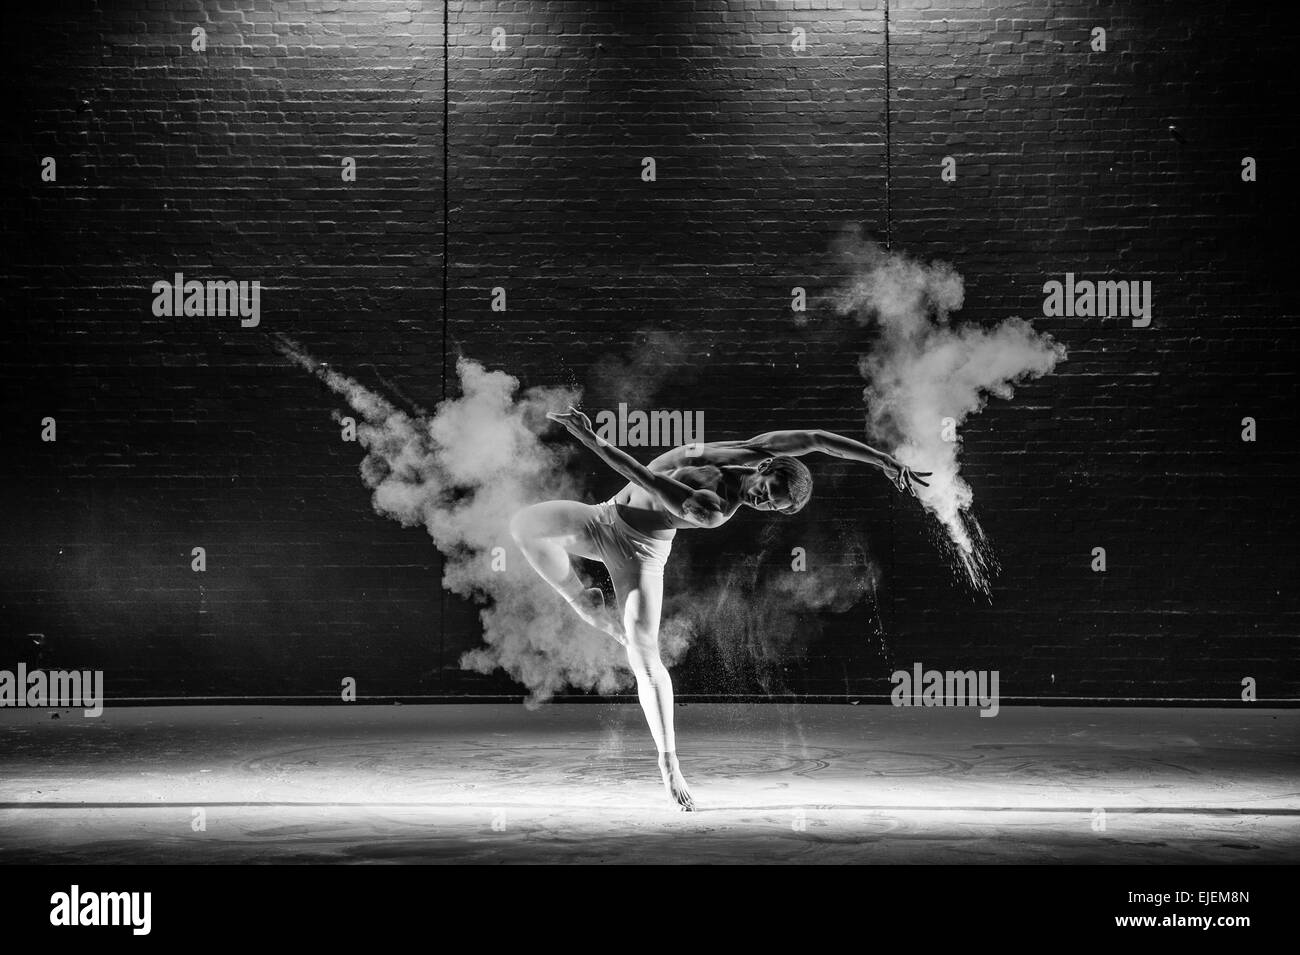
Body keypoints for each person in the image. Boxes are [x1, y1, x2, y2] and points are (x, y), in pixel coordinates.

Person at [508, 407, 930, 810]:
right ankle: (584, 606)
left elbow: (643, 476)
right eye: (768, 494)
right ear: (765, 468)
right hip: (603, 518)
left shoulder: (713, 510)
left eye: (772, 508)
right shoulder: (754, 450)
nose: (762, 504)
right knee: (524, 525)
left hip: (638, 553)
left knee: (643, 654)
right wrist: (883, 460)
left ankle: (669, 764)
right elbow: (819, 440)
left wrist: (591, 438)